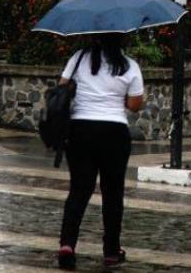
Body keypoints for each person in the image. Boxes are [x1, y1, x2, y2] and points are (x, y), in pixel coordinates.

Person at [56, 34, 145, 270]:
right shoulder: (130, 65)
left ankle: (67, 244)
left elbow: (62, 87)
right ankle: (111, 251)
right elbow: (135, 104)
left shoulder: (79, 58)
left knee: (79, 189)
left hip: (80, 129)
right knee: (113, 193)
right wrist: (118, 97)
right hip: (114, 132)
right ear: (122, 40)